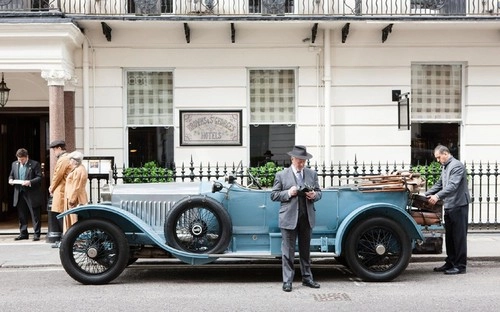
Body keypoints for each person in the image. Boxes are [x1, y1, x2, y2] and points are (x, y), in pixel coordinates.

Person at [270, 145, 322, 292]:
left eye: (304, 161)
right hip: (288, 217)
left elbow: (319, 192)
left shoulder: (312, 174)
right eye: (299, 161)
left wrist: (314, 195)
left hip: (307, 217)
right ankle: (287, 281)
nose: (302, 164)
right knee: (288, 251)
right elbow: (274, 195)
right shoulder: (281, 175)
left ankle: (307, 278)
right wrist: (288, 192)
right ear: (292, 159)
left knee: (306, 251)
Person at [425, 144, 470, 275]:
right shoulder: (445, 166)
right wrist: (426, 194)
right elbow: (440, 184)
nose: (438, 160)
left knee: (459, 237)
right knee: (450, 236)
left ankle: (460, 266)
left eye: (439, 157)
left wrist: (437, 196)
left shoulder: (456, 165)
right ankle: (450, 262)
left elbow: (452, 186)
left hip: (459, 205)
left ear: (445, 153)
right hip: (450, 205)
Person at [8, 148, 43, 241]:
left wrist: (30, 182)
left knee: (34, 214)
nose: (21, 161)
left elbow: (39, 177)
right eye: (19, 159)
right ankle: (23, 233)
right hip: (19, 192)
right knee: (21, 214)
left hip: (31, 193)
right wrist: (10, 180)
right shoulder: (14, 164)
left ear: (27, 157)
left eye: (22, 159)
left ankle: (36, 234)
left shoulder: (35, 164)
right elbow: (11, 175)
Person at [48, 140, 72, 247]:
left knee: (62, 215)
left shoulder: (63, 159)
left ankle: (65, 240)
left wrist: (51, 187)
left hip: (62, 191)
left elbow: (57, 175)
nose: (54, 152)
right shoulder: (67, 158)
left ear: (58, 148)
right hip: (62, 190)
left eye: (54, 150)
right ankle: (65, 239)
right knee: (62, 215)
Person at [63, 151, 88, 232]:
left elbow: (76, 186)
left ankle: (74, 239)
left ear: (74, 161)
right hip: (74, 197)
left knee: (74, 221)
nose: (69, 162)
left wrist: (72, 199)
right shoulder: (79, 169)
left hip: (75, 199)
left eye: (70, 160)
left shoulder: (79, 170)